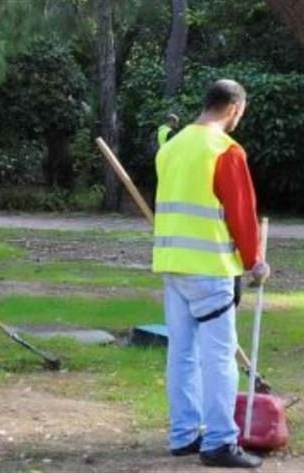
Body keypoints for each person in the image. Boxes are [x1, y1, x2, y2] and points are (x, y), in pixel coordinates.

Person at [153, 79, 269, 469]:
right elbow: (242, 213)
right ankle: (220, 441)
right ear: (234, 108)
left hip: (172, 265)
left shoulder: (172, 147)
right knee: (219, 357)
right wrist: (254, 260)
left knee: (182, 353)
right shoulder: (225, 150)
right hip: (210, 268)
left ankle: (184, 435)